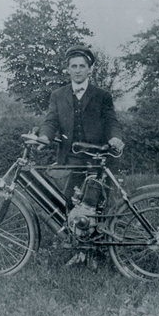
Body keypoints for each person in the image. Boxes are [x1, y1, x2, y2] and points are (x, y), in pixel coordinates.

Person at [39, 45, 124, 267]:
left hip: (96, 160)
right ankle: (78, 249)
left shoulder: (102, 96)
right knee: (71, 203)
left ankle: (96, 253)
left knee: (97, 207)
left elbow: (112, 121)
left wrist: (115, 138)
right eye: (73, 66)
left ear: (89, 69)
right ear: (67, 69)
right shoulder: (58, 95)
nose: (77, 70)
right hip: (71, 160)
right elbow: (50, 121)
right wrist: (45, 137)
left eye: (82, 66)